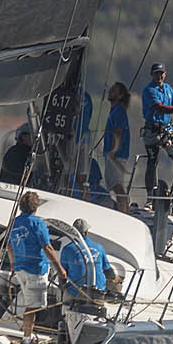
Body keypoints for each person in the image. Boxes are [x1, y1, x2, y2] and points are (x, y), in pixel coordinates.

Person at [5, 191, 68, 344]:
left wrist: (13, 265)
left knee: (30, 302)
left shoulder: (14, 222)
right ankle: (27, 339)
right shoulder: (38, 223)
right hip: (35, 270)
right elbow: (47, 247)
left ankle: (29, 334)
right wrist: (60, 270)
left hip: (20, 269)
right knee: (32, 307)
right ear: (36, 206)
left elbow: (9, 246)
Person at [141, 64, 173, 198]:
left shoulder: (168, 88)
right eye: (156, 73)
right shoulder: (149, 90)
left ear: (165, 74)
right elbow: (161, 108)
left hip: (168, 130)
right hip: (153, 132)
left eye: (161, 73)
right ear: (152, 75)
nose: (159, 76)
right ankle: (150, 196)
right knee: (152, 162)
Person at [59, 218, 108, 299]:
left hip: (76, 291)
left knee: (66, 294)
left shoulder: (67, 249)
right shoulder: (99, 248)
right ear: (86, 232)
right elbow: (108, 271)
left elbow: (62, 274)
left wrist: (62, 288)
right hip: (98, 292)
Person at [102, 82, 132, 212]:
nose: (110, 91)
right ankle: (124, 209)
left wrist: (113, 151)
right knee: (115, 185)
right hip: (115, 154)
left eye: (114, 90)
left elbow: (118, 132)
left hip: (116, 155)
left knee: (117, 185)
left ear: (120, 96)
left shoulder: (119, 110)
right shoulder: (115, 110)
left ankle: (124, 211)